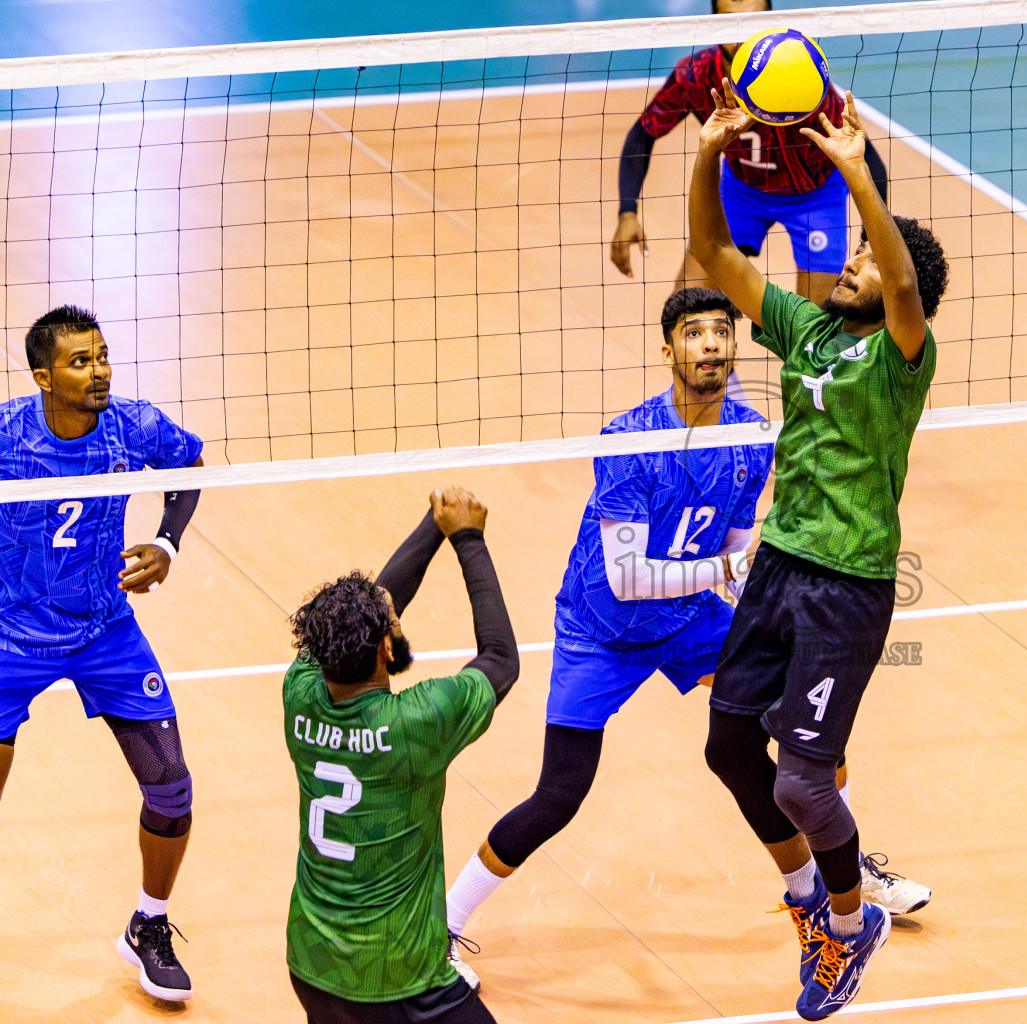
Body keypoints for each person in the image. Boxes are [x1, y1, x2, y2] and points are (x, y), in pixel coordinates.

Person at [442, 288, 928, 983]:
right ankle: (448, 922)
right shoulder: (630, 440)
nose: (709, 344)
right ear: (668, 351)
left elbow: (732, 549)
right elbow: (629, 576)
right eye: (693, 334)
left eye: (720, 332)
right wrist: (727, 569)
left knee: (804, 723)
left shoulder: (750, 437)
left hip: (692, 622)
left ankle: (842, 878)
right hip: (600, 631)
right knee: (560, 793)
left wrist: (746, 595)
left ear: (734, 347)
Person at [688, 83, 950, 1021]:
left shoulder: (900, 357)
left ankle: (848, 923)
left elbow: (907, 286)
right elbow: (719, 255)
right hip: (779, 569)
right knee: (728, 745)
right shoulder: (805, 331)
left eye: (866, 266)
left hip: (848, 586)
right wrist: (710, 151)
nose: (850, 269)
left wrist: (852, 176)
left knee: (801, 775)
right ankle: (810, 900)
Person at [0, 305, 204, 1002]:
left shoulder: (132, 424)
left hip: (104, 633)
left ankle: (149, 925)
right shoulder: (5, 434)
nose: (100, 371)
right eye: (80, 362)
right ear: (43, 377)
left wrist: (168, 541)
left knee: (171, 788)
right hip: (9, 638)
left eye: (103, 355)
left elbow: (191, 465)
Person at [283, 487, 518, 1024]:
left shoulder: (300, 691)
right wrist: (467, 539)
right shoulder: (415, 722)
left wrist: (434, 526)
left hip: (312, 964)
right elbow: (501, 659)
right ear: (387, 650)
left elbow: (373, 609)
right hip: (400, 978)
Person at [611, 0, 889, 307]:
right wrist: (627, 212)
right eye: (733, 22)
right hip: (742, 190)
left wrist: (871, 245)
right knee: (687, 309)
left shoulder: (799, 78)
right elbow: (642, 134)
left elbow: (869, 161)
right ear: (714, 24)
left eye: (754, 21)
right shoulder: (696, 76)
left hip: (815, 197)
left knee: (821, 329)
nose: (744, 33)